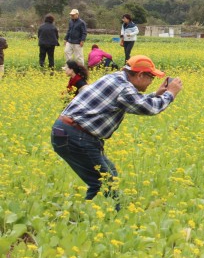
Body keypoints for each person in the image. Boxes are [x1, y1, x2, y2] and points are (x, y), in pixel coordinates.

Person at [51, 55, 182, 208]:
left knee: (108, 173)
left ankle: (96, 214)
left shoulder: (116, 79)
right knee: (104, 182)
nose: (152, 81)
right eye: (151, 77)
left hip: (67, 131)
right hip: (76, 136)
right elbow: (149, 108)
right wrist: (170, 94)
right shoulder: (124, 88)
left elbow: (133, 100)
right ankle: (97, 217)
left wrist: (156, 94)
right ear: (140, 75)